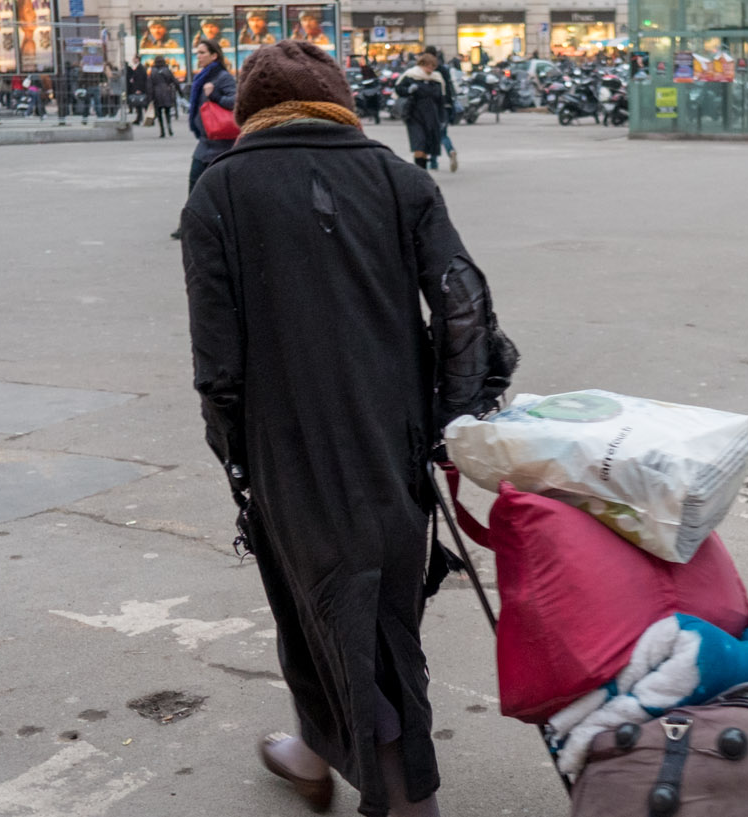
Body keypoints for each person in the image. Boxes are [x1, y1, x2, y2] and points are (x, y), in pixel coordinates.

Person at [181, 38, 513, 817]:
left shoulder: (219, 194)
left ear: (256, 111)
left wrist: (234, 456)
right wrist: (449, 419)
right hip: (390, 441)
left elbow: (217, 363)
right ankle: (310, 746)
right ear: (341, 103)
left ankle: (405, 800)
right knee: (359, 607)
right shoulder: (399, 180)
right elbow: (462, 302)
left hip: (287, 453)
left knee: (350, 618)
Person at [186, 37, 236, 194]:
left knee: (205, 188)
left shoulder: (223, 76)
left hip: (220, 145)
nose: (198, 56)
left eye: (202, 53)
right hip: (206, 142)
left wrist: (214, 96)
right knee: (197, 186)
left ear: (214, 56)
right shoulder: (203, 77)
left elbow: (236, 100)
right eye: (197, 53)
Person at [395, 52, 445, 169]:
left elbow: (441, 100)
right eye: (428, 65)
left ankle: (423, 169)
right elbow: (399, 89)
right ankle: (420, 170)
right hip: (415, 115)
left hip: (432, 116)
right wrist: (409, 90)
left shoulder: (436, 79)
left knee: (428, 144)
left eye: (433, 66)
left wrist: (443, 118)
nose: (430, 68)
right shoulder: (411, 76)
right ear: (422, 64)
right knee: (419, 143)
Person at [424, 45, 459, 172]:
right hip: (445, 105)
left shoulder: (427, 70)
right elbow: (449, 88)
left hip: (432, 106)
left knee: (433, 134)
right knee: (442, 133)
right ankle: (451, 150)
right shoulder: (444, 69)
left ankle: (433, 162)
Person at [149, 56, 177, 137]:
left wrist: (150, 97)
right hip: (166, 92)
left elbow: (150, 84)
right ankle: (169, 128)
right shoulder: (167, 70)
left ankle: (162, 131)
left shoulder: (153, 71)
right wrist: (180, 92)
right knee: (167, 112)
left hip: (157, 93)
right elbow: (174, 81)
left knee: (159, 114)